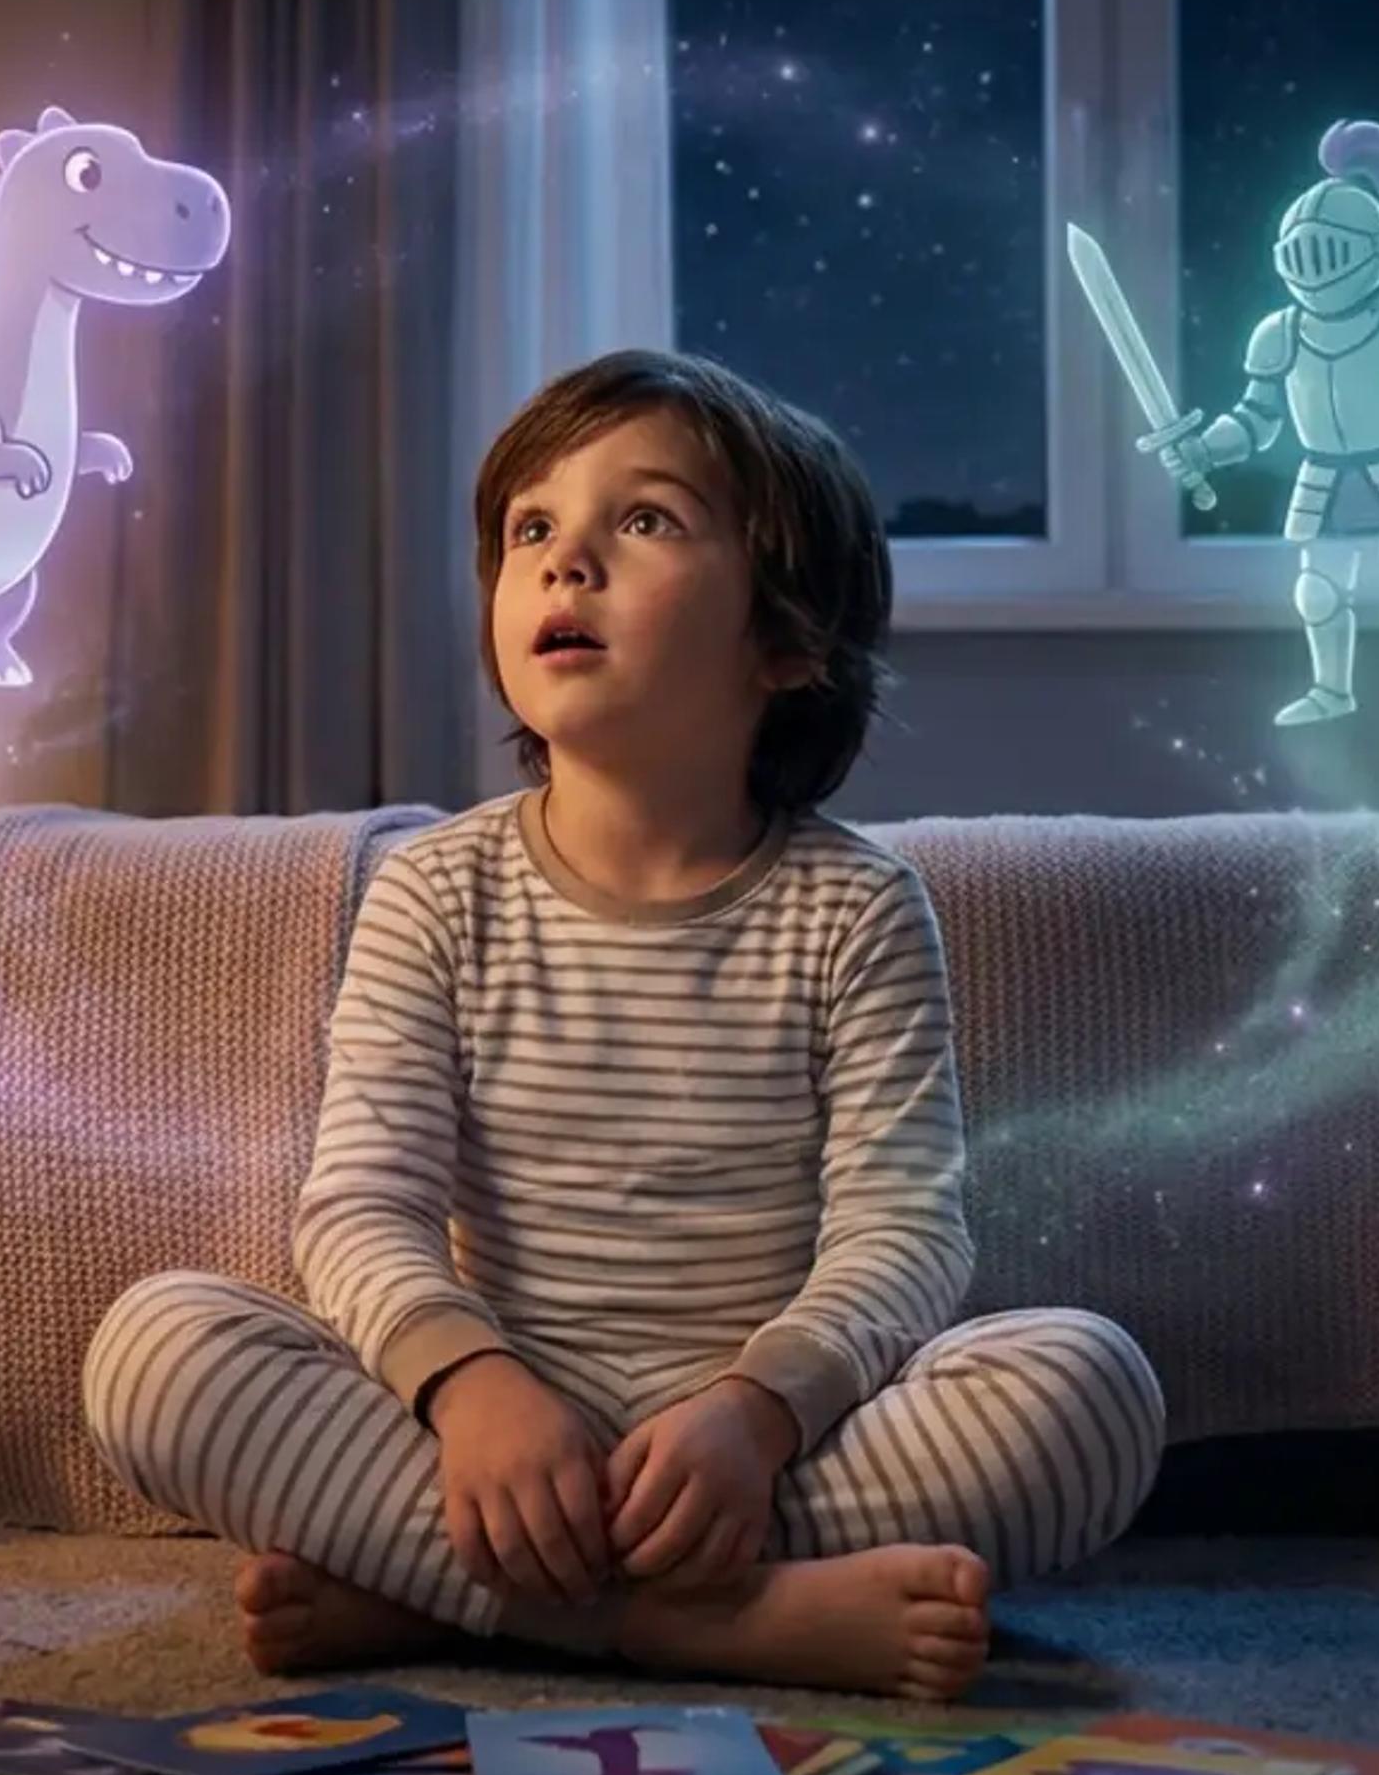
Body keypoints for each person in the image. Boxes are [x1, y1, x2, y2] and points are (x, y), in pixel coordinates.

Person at [83, 349, 1165, 1701]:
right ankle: (705, 1623)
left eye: (644, 518)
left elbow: (902, 1235)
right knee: (157, 1352)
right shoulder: (435, 891)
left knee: (1087, 1390)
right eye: (530, 527)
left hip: (757, 1455)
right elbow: (362, 1209)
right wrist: (472, 1389)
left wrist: (756, 1415)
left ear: (785, 643)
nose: (565, 560)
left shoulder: (859, 909)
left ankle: (454, 1594)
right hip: (489, 1436)